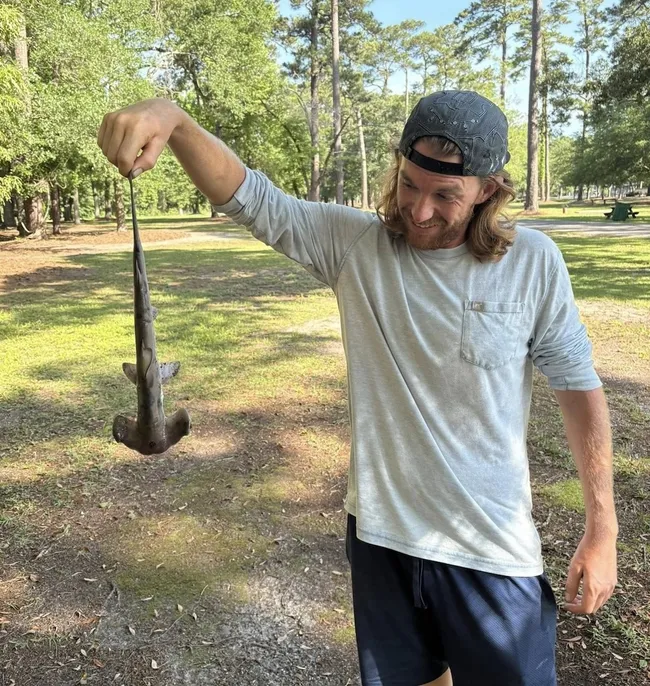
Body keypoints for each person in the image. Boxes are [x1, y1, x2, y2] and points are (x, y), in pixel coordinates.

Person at [98, 90, 618, 686]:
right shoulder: (356, 247)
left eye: (445, 195)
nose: (419, 212)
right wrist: (177, 121)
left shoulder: (533, 263)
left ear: (488, 191)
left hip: (489, 548)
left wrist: (602, 530)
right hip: (381, 535)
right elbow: (253, 199)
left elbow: (579, 389)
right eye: (409, 185)